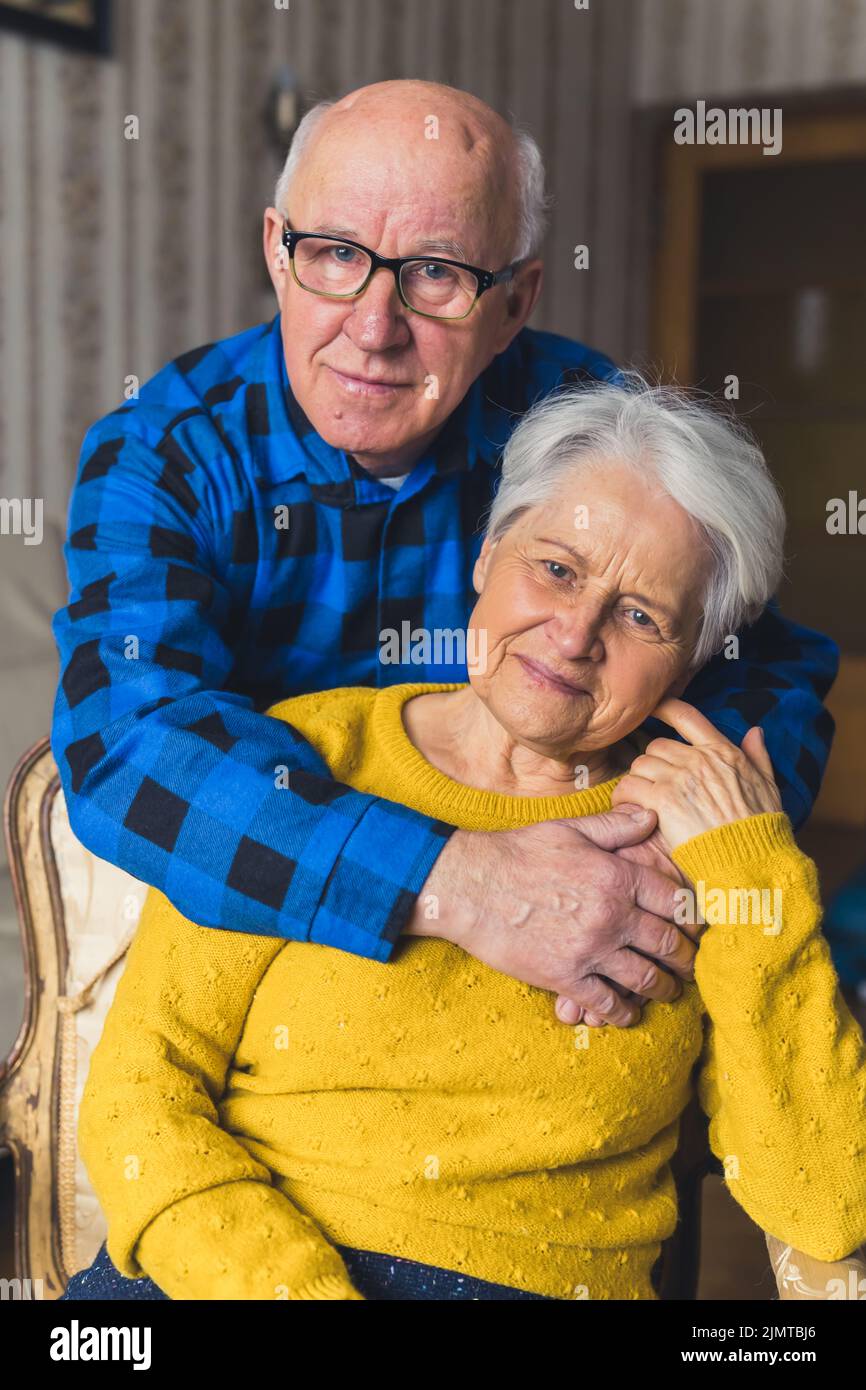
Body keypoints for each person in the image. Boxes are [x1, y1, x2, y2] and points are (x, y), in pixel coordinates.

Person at [52, 79, 838, 1031]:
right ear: (276, 250)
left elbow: (765, 666)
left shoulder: (584, 420)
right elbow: (130, 744)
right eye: (336, 254)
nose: (374, 330)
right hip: (284, 953)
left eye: (435, 274)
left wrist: (656, 861)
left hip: (572, 942)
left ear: (514, 302)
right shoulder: (165, 448)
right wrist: (461, 882)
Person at [62, 379, 866, 1301]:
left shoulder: (705, 843)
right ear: (487, 555)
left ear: (696, 656)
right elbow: (141, 1097)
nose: (573, 636)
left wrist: (749, 864)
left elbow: (826, 1202)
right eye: (556, 569)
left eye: (641, 615)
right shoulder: (307, 759)